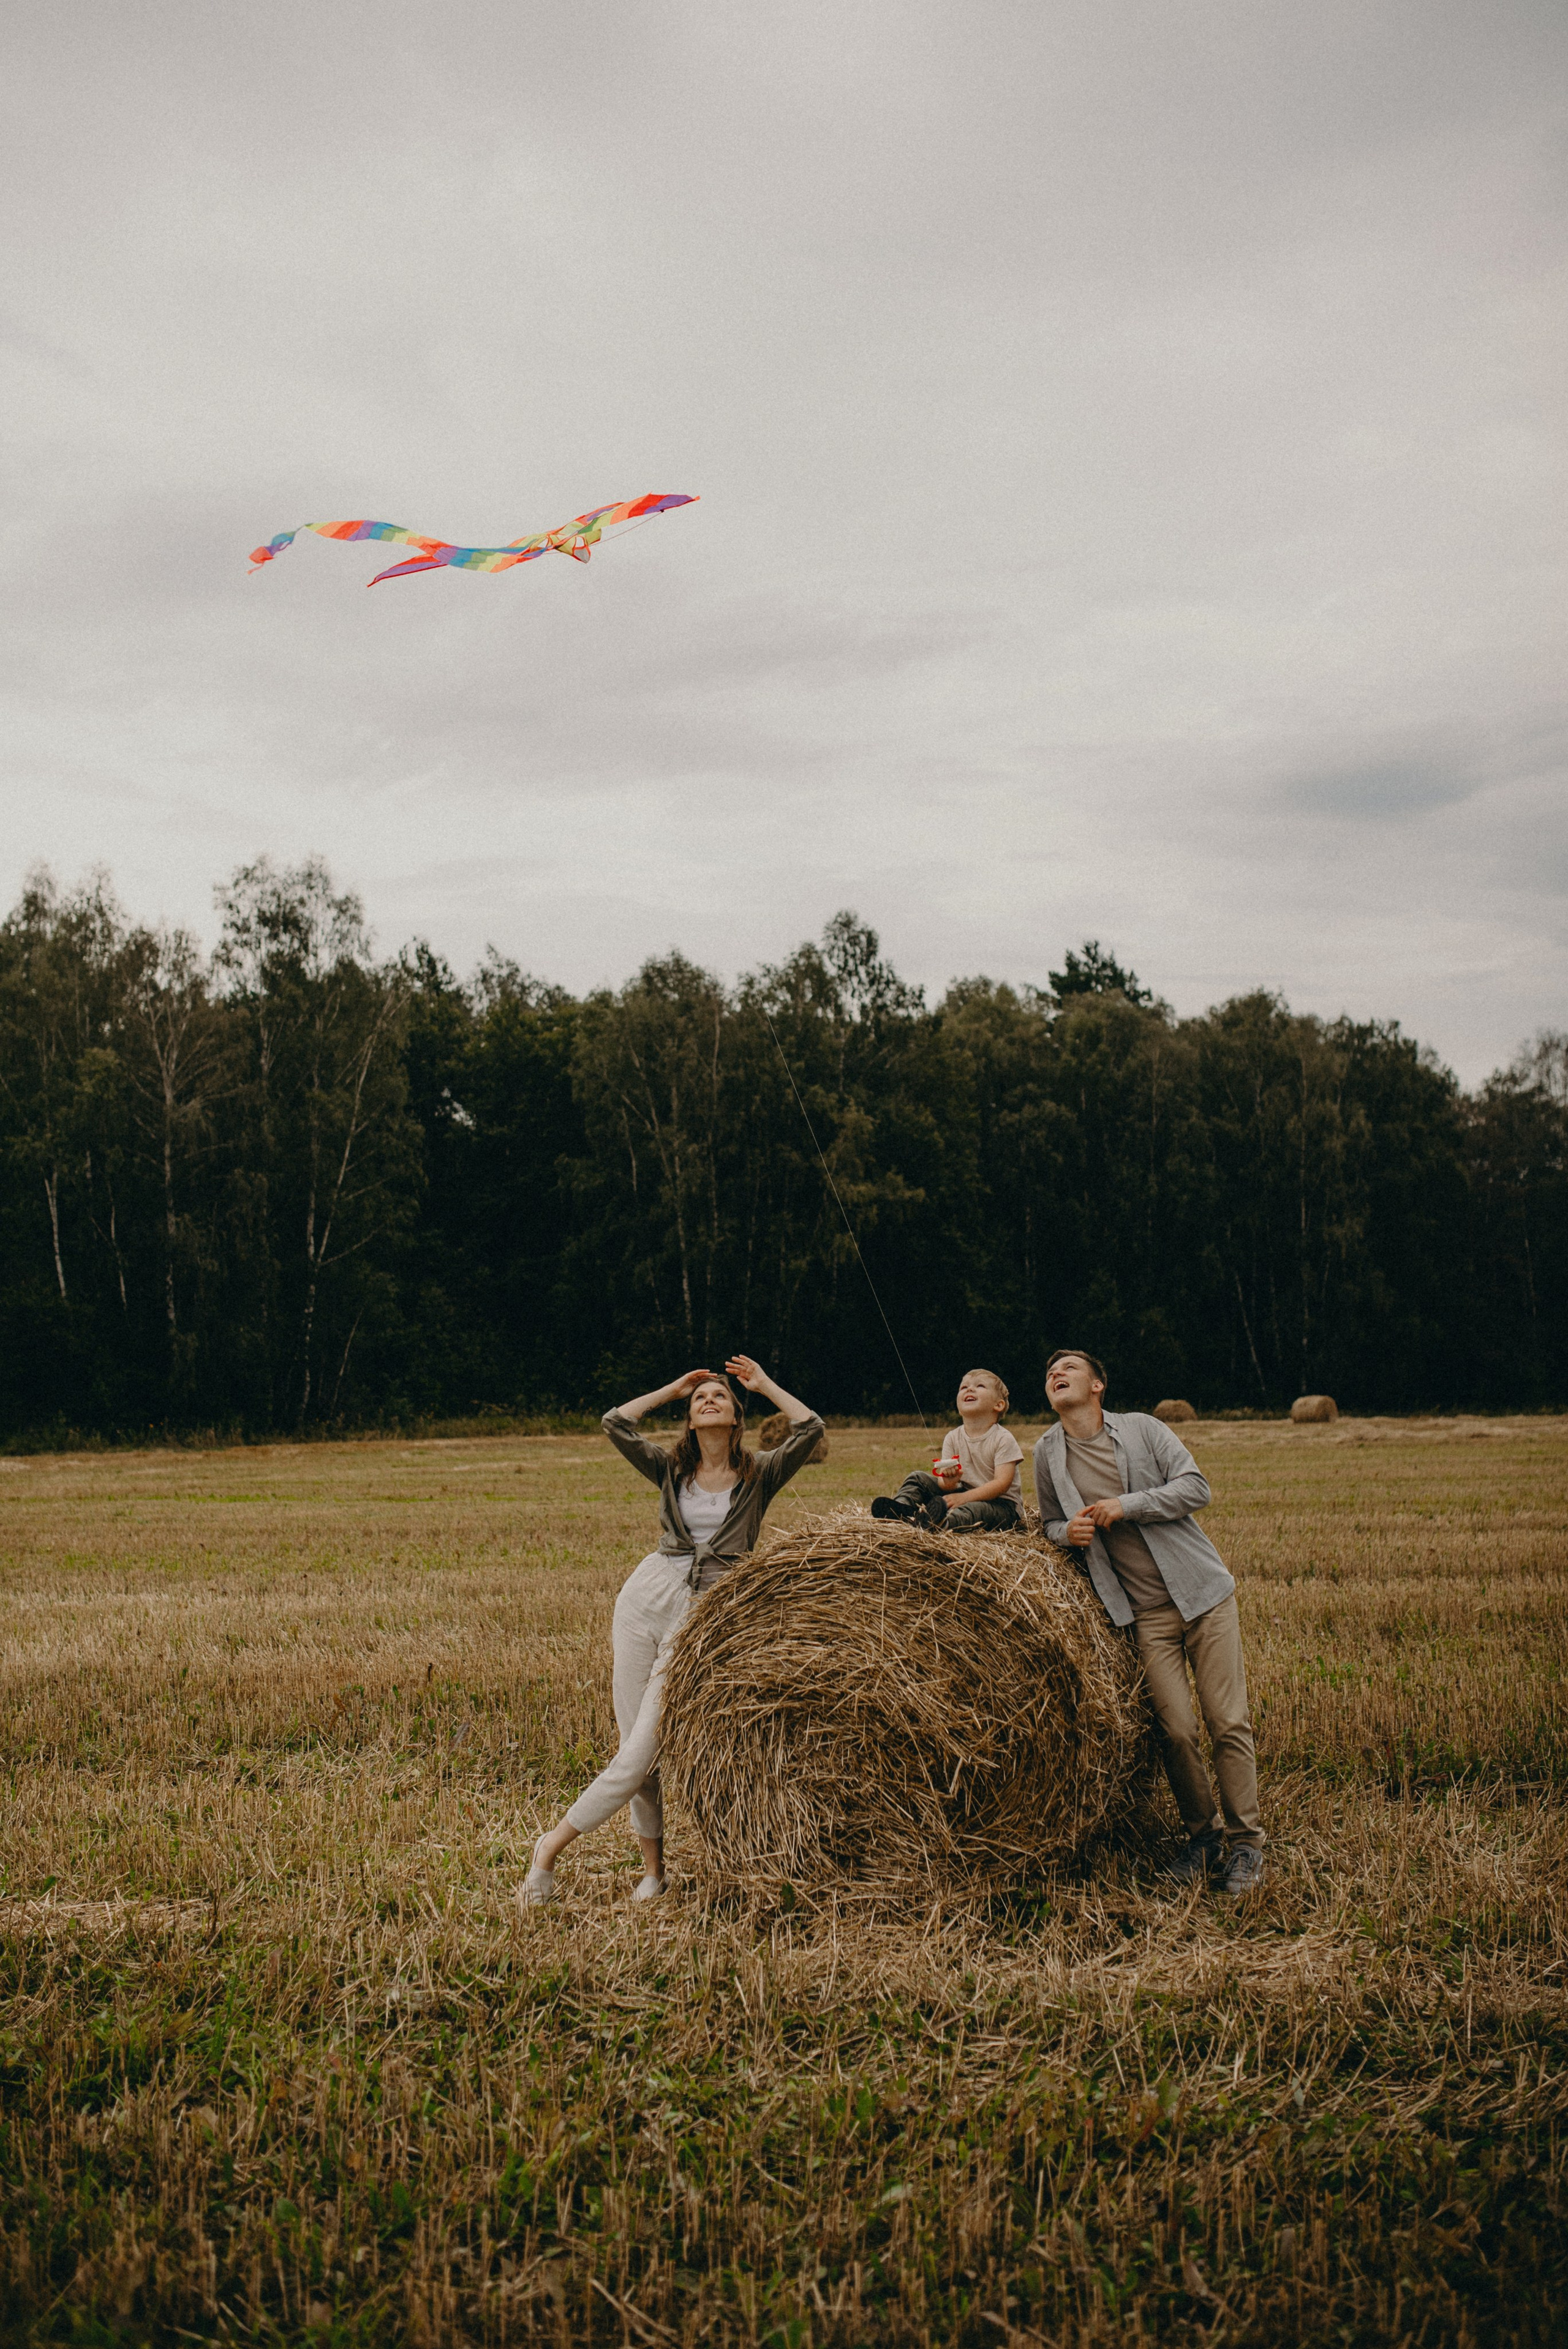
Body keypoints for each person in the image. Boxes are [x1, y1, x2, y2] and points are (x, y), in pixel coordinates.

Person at [521, 1356, 823, 1907]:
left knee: (640, 1752)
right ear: (689, 1419)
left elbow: (812, 1428)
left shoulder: (762, 1472)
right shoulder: (669, 1468)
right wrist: (671, 1389)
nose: (709, 1400)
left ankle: (548, 1849)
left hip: (705, 1613)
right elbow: (615, 1422)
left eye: (721, 1397)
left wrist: (762, 1384)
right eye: (699, 1399)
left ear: (736, 1418)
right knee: (632, 1748)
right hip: (645, 1598)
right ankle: (653, 1873)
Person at [1033, 1349, 1267, 1896]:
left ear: (1098, 1384)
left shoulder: (1143, 1429)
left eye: (1068, 1368)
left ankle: (1247, 1845)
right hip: (1141, 1614)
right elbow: (1045, 1523)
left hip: (1203, 1596)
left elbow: (1196, 1487)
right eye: (1049, 1373)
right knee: (1176, 1730)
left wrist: (1128, 1505)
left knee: (1226, 1720)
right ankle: (1204, 1840)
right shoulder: (1046, 1452)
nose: (1055, 1375)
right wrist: (1066, 1534)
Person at [870, 1369, 1023, 1532]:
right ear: (959, 1407)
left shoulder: (1003, 1438)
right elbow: (944, 1484)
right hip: (964, 1492)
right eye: (964, 1387)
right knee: (918, 1478)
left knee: (974, 1510)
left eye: (980, 1386)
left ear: (998, 1405)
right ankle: (903, 1510)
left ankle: (943, 1523)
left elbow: (1002, 1484)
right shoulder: (952, 1437)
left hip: (1002, 1506)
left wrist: (964, 1498)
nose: (969, 1389)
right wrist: (949, 1481)